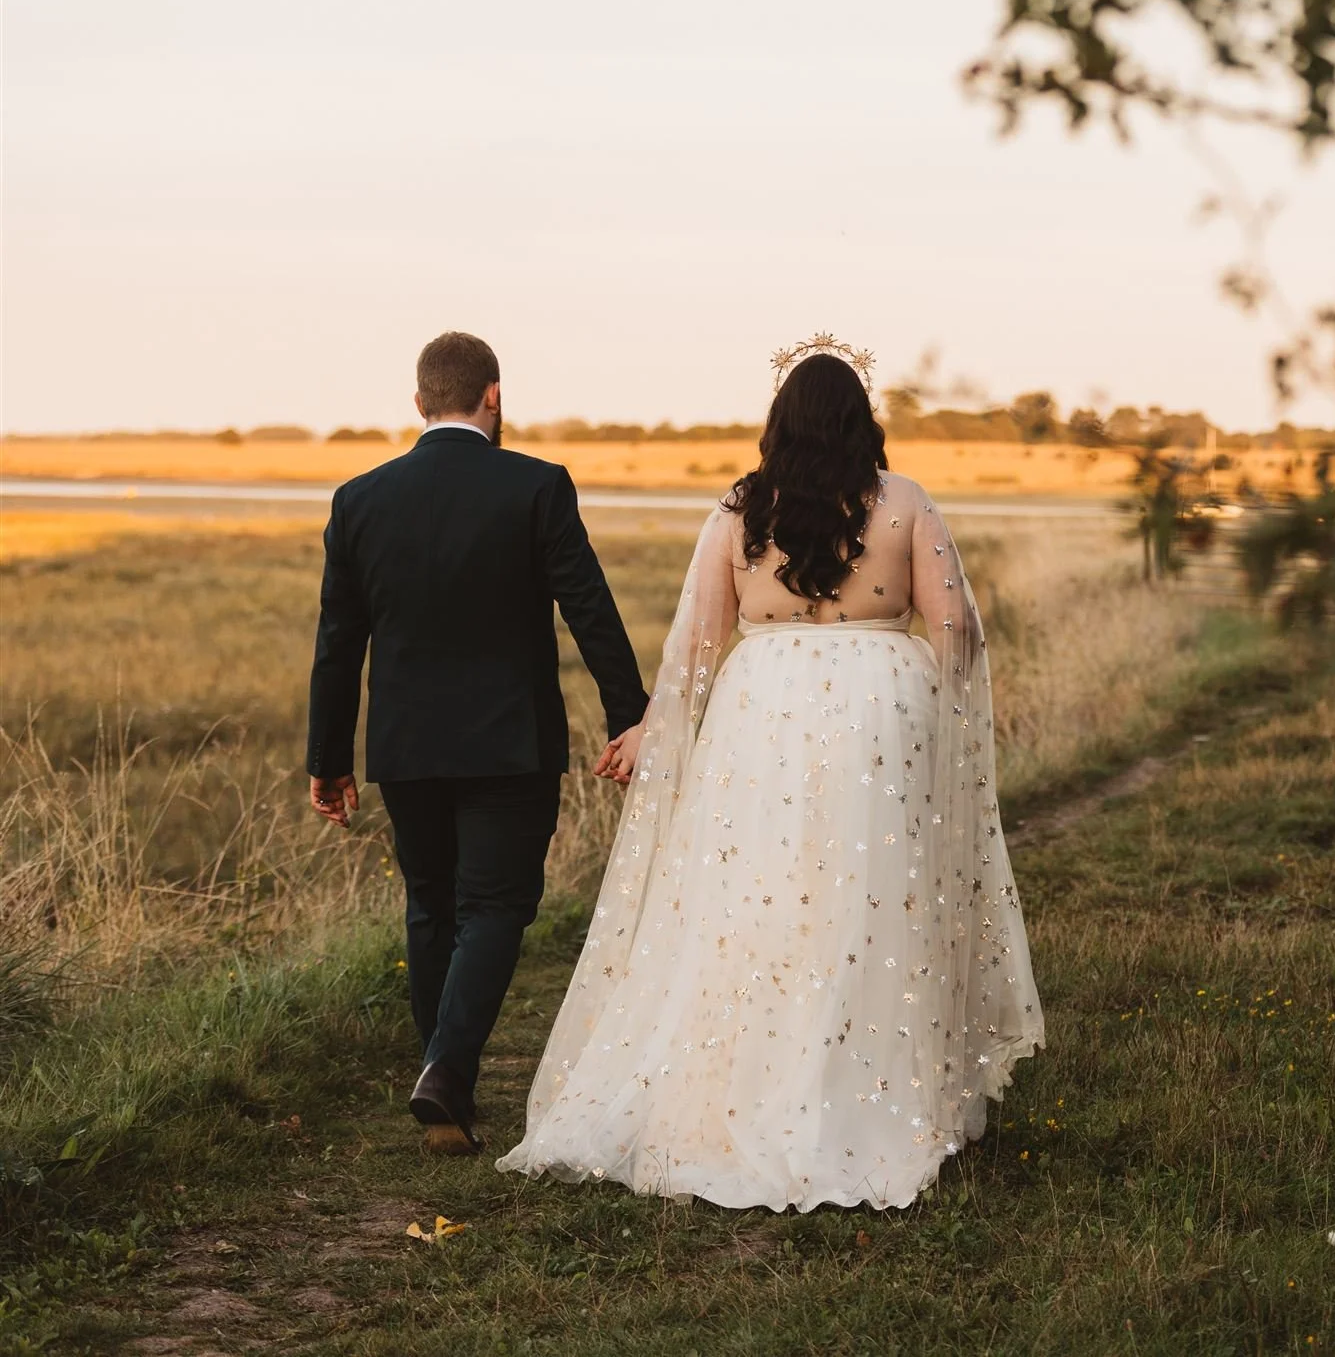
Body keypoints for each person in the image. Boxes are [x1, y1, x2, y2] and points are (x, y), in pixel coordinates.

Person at [497, 334, 1043, 1211]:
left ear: (780, 425)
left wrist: (652, 730)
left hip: (761, 717)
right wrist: (937, 712)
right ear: (862, 422)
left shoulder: (740, 512)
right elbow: (958, 633)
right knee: (869, 896)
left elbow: (699, 653)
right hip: (879, 716)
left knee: (756, 898)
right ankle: (864, 1086)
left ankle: (742, 1086)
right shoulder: (903, 503)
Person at [306, 331, 648, 1155]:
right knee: (495, 905)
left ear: (419, 400)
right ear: (492, 396)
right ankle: (447, 1072)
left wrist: (329, 759)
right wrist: (629, 713)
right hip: (510, 742)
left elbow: (337, 641)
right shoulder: (535, 485)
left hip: (405, 746)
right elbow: (588, 607)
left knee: (431, 904)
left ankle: (445, 1086)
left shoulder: (359, 499)